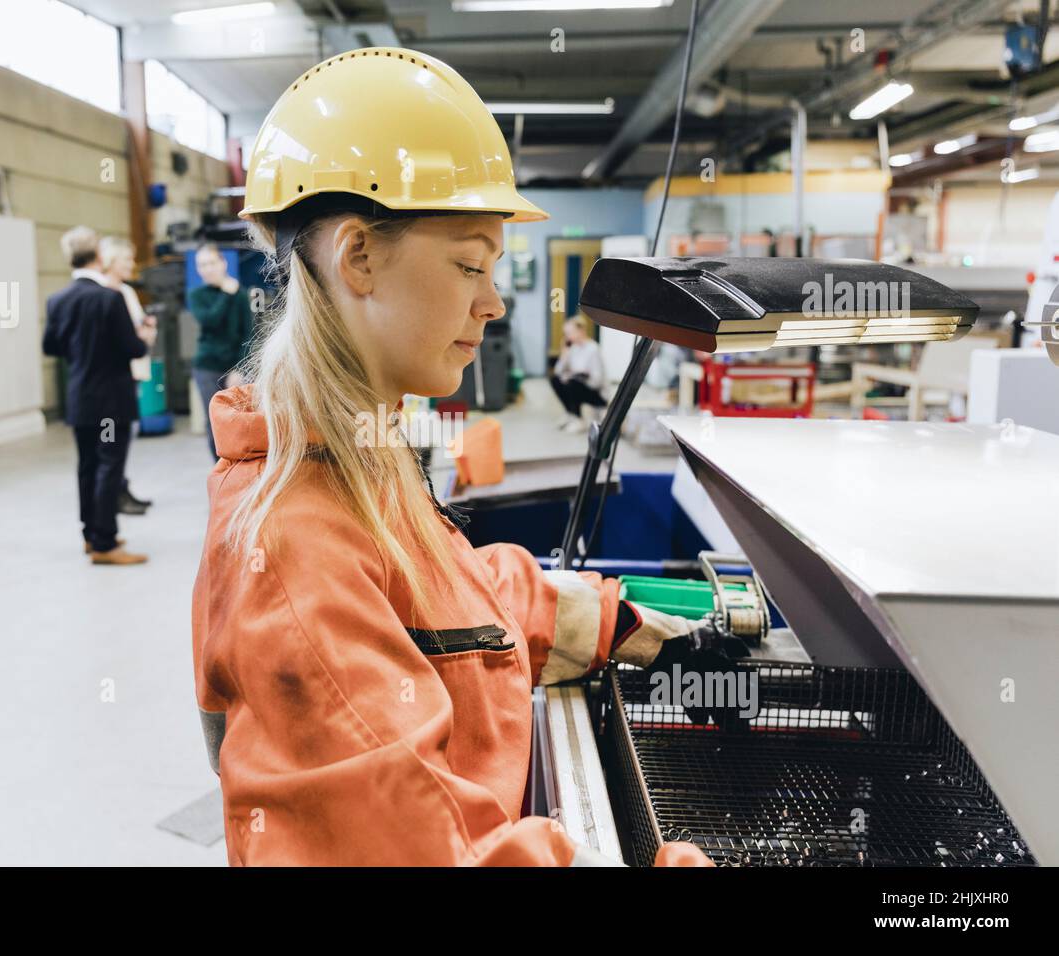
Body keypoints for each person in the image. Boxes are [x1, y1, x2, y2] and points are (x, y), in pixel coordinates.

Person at [192, 47, 721, 866]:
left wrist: (609, 619)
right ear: (359, 257)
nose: (493, 300)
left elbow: (452, 600)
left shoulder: (361, 455)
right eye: (469, 263)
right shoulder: (297, 546)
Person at [43, 226, 155, 566]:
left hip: (80, 398)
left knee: (88, 466)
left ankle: (91, 535)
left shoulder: (57, 300)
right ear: (99, 257)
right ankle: (106, 543)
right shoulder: (109, 298)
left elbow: (51, 346)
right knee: (109, 466)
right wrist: (146, 335)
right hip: (111, 402)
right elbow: (133, 348)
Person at [98, 236, 155, 516]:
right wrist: (139, 335)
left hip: (132, 371)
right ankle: (113, 493)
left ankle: (120, 487)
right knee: (112, 437)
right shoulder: (103, 294)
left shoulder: (127, 292)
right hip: (112, 377)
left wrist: (145, 330)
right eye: (126, 260)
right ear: (110, 261)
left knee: (127, 433)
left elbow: (136, 329)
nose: (131, 265)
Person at [189, 242, 253, 458]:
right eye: (202, 265)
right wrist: (226, 294)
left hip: (234, 367)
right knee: (215, 422)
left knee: (239, 420)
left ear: (223, 263)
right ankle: (220, 470)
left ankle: (239, 470)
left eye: (211, 263)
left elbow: (248, 334)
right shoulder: (196, 295)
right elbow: (210, 320)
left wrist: (239, 369)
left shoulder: (241, 294)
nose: (207, 269)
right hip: (207, 367)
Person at [550, 314, 607, 433]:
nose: (567, 337)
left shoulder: (593, 349)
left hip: (596, 393)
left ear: (581, 331)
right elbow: (557, 371)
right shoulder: (573, 349)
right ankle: (570, 414)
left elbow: (598, 381)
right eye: (566, 333)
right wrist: (564, 354)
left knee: (573, 382)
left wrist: (579, 377)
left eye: (570, 332)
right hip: (577, 385)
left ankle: (579, 420)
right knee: (555, 380)